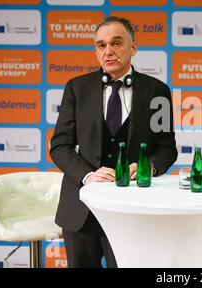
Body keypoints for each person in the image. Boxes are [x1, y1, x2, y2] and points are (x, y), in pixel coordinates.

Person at [50, 16, 177, 268]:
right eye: (101, 45)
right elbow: (60, 146)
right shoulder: (76, 88)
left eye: (116, 43)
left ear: (133, 48)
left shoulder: (157, 91)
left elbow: (166, 148)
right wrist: (88, 175)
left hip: (133, 209)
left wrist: (147, 166)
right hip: (81, 208)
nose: (108, 51)